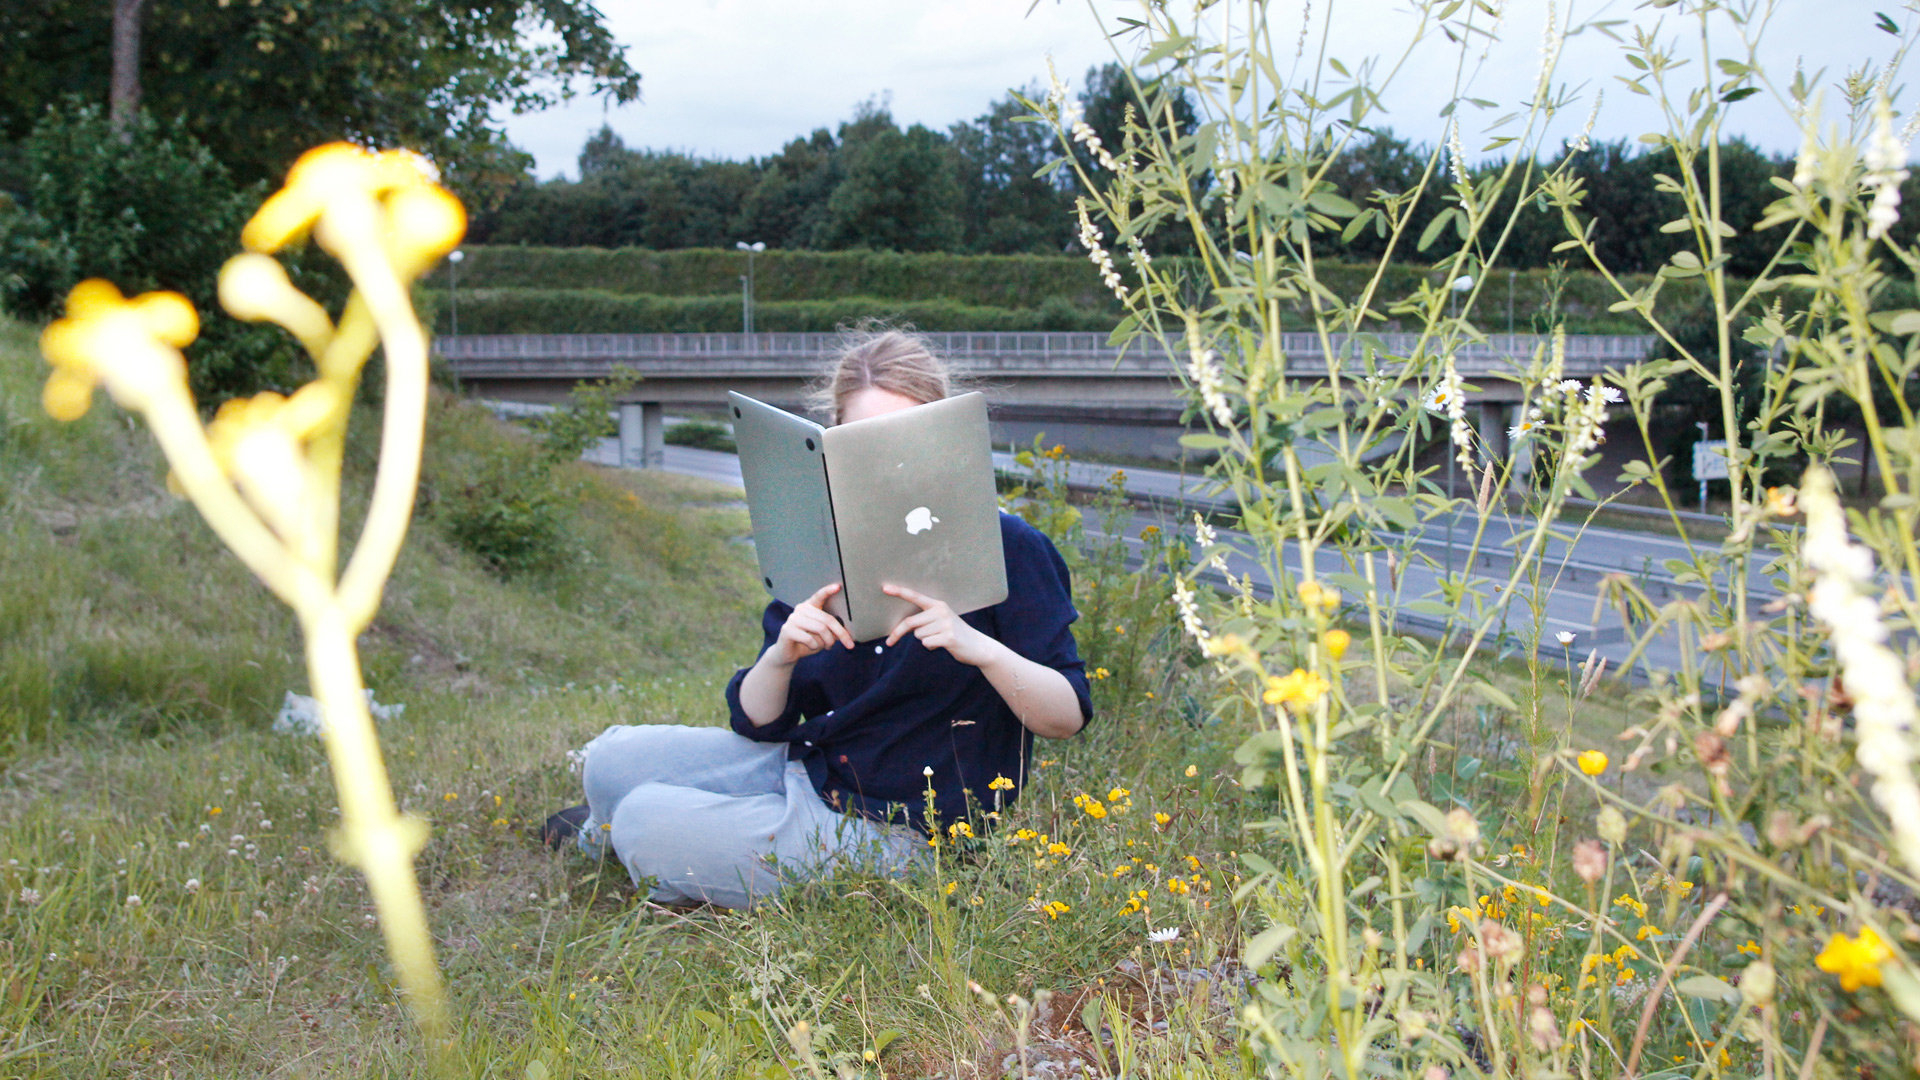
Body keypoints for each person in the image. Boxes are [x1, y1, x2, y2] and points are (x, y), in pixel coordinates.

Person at [544, 328, 1093, 909]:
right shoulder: (819, 545)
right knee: (610, 761)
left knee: (643, 824)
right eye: (862, 440)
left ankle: (622, 834)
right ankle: (676, 825)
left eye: (903, 436)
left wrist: (978, 646)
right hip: (812, 768)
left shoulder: (1008, 545)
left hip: (906, 831)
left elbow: (1064, 716)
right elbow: (757, 723)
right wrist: (782, 655)